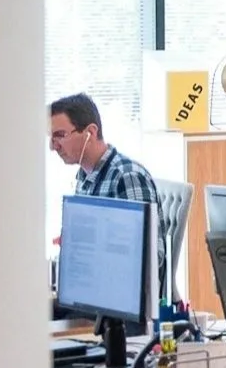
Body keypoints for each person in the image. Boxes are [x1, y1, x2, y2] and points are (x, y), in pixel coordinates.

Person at [49, 93, 165, 289]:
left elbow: (146, 260)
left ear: (90, 132)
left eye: (60, 135)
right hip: (93, 287)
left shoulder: (127, 177)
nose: (54, 146)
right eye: (51, 138)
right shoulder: (84, 177)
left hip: (119, 295)